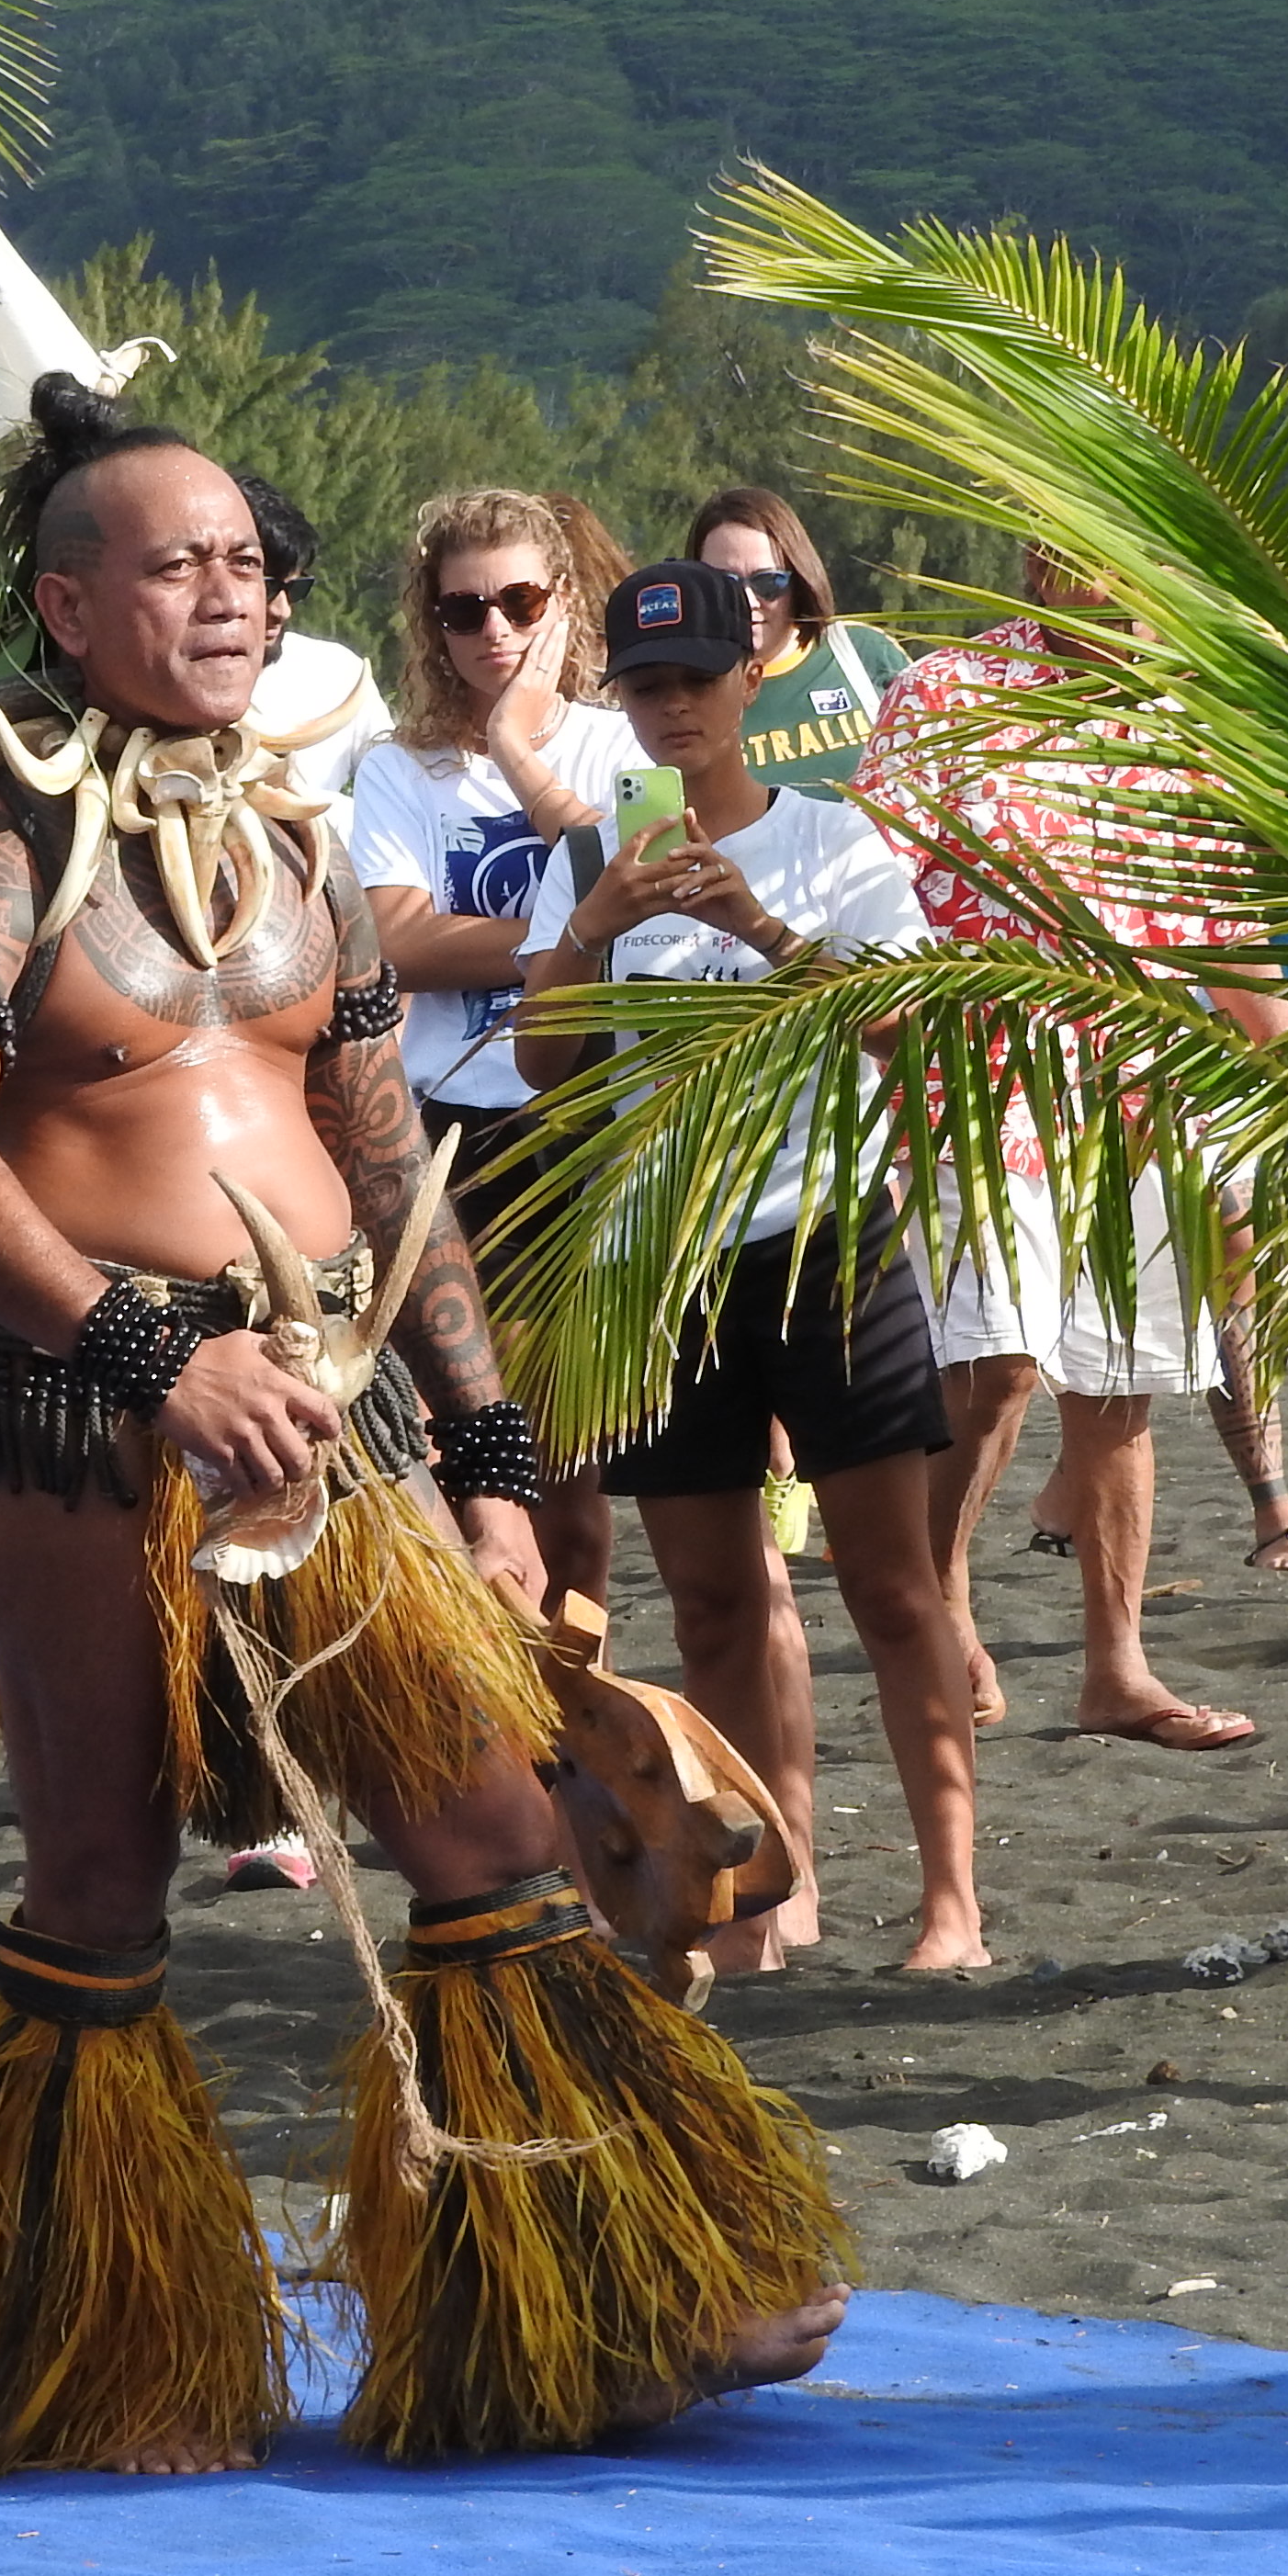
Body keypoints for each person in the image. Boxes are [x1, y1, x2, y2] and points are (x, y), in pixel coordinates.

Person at [0, 374, 849, 2480]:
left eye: (245, 559)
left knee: (492, 1837)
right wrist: (146, 1353)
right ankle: (88, 2361)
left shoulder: (298, 839)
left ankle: (595, 2291)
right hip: (76, 1419)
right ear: (61, 599)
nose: (225, 591)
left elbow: (392, 1173)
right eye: (173, 560)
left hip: (321, 1407)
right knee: (103, 1878)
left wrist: (486, 1464)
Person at [517, 559, 989, 1977]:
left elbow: (906, 1042)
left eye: (695, 682)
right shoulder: (589, 856)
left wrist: (762, 934)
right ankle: (760, 1911)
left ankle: (950, 1905)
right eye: (645, 687)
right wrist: (594, 929)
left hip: (824, 1239)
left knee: (894, 1588)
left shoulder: (835, 841)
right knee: (716, 1603)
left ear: (748, 681)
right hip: (665, 1258)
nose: (671, 711)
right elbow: (548, 1076)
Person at [864, 553, 1280, 1750]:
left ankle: (1117, 1669)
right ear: (1048, 562)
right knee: (995, 1365)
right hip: (973, 1072)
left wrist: (1282, 1085)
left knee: (1119, 1388)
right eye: (1101, 559)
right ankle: (935, 1595)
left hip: (1145, 1084)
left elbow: (1224, 926)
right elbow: (874, 884)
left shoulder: (1194, 717)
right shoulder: (947, 692)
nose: (1134, 589)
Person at [347, 487, 638, 1610]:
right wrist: (572, 939)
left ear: (565, 603)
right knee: (474, 1456)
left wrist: (520, 748)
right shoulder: (396, 768)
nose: (495, 633)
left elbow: (645, 895)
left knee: (577, 1480)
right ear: (432, 625)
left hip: (591, 1124)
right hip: (454, 1130)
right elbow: (399, 940)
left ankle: (577, 1711)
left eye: (520, 600)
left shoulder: (623, 736)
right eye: (463, 611)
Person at [685, 487, 910, 805]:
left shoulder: (863, 655)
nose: (748, 601)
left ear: (800, 579)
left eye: (768, 582)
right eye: (725, 585)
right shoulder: (682, 691)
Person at [243, 473, 386, 808]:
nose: (282, 610)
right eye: (267, 587)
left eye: (296, 589)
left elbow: (396, 796)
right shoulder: (156, 684)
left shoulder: (338, 675)